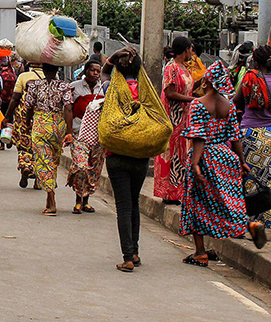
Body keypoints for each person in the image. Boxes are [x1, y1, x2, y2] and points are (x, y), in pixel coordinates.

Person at [180, 60, 266, 267]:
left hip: (206, 156)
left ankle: (200, 251)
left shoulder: (198, 104)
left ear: (208, 80)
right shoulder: (229, 106)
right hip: (226, 157)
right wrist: (242, 161)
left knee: (196, 203)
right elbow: (235, 137)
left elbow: (199, 137)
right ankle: (249, 223)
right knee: (228, 201)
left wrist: (196, 163)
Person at [101, 47, 148, 272]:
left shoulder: (111, 88)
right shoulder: (146, 92)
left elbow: (104, 71)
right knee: (134, 202)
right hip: (140, 155)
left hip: (117, 155)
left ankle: (127, 257)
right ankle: (136, 252)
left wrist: (115, 54)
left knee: (123, 206)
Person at [22, 63, 74, 215]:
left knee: (44, 162)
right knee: (54, 161)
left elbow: (29, 107)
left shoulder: (34, 86)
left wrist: (27, 125)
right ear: (58, 69)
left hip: (40, 125)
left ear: (43, 70)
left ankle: (51, 200)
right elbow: (68, 108)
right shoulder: (64, 86)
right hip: (58, 125)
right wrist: (69, 132)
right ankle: (48, 196)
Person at [155, 36, 196, 204]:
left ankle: (176, 192)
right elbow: (170, 93)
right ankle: (168, 192)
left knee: (180, 155)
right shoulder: (171, 68)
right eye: (190, 49)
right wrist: (193, 100)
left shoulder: (183, 68)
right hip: (172, 117)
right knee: (170, 154)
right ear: (186, 49)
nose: (192, 52)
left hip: (183, 120)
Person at [234, 45, 271, 230]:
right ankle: (266, 223)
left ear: (255, 61)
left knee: (248, 181)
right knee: (268, 182)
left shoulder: (250, 79)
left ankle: (246, 223)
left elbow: (236, 102)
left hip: (250, 136)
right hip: (270, 137)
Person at [67, 60, 105, 213]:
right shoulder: (74, 87)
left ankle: (86, 200)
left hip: (98, 135)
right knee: (81, 166)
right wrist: (68, 132)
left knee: (94, 167)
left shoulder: (104, 88)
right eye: (92, 70)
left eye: (98, 71)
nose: (95, 73)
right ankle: (77, 199)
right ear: (85, 71)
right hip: (78, 133)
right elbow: (68, 109)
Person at [2, 62, 45, 188]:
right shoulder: (50, 77)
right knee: (39, 146)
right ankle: (38, 179)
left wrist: (6, 117)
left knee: (23, 145)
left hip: (23, 115)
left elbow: (15, 98)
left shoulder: (23, 76)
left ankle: (25, 167)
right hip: (41, 116)